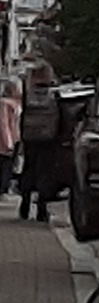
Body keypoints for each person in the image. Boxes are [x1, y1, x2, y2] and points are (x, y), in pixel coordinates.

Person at [18, 62, 61, 222]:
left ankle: (24, 205)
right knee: (45, 173)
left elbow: (21, 115)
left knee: (29, 169)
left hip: (30, 136)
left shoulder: (27, 93)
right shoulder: (54, 94)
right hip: (48, 137)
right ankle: (41, 211)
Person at [0, 78, 19, 206]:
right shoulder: (6, 104)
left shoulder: (12, 104)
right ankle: (2, 191)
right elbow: (4, 123)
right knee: (6, 167)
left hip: (11, 140)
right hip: (6, 142)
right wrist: (9, 142)